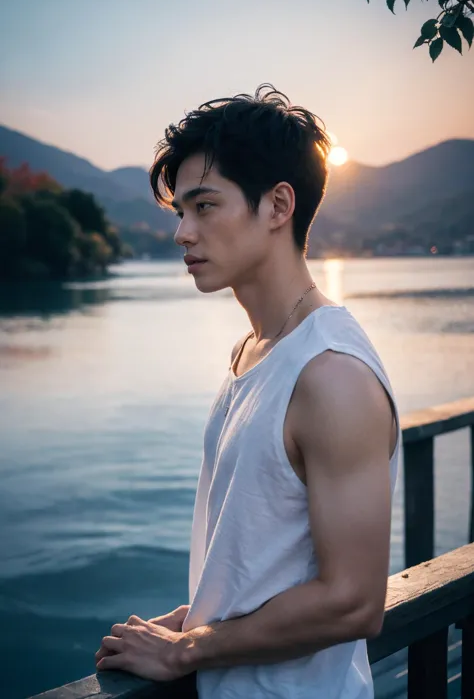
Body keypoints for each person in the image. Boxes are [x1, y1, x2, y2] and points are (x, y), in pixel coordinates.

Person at [95, 84, 401, 699]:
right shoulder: (252, 351)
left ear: (278, 206)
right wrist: (190, 620)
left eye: (204, 207)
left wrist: (189, 650)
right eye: (179, 210)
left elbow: (353, 602)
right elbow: (264, 554)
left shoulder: (331, 374)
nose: (182, 232)